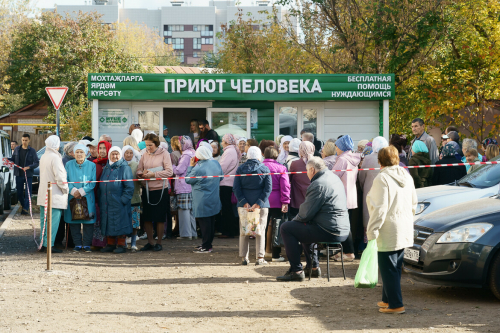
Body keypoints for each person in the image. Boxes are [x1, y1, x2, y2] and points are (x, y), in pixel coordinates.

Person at [276, 157, 350, 281]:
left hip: (330, 230)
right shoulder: (333, 177)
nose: (306, 174)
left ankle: (297, 270)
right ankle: (313, 268)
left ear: (312, 169)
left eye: (306, 171)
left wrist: (294, 220)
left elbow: (305, 213)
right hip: (341, 228)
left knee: (287, 228)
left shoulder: (319, 183)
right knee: (303, 226)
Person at [366, 146, 417, 314]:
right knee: (395, 266)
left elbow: (380, 208)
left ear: (380, 161)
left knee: (388, 267)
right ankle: (387, 299)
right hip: (403, 226)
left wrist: (372, 231)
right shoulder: (406, 176)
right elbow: (414, 203)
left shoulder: (382, 179)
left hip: (388, 228)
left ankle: (396, 304)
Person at [233, 146, 272, 265]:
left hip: (243, 205)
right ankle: (260, 258)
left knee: (243, 230)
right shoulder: (265, 169)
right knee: (261, 231)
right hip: (261, 205)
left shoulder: (240, 169)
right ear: (260, 155)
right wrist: (259, 203)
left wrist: (244, 201)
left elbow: (236, 188)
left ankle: (244, 258)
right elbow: (268, 188)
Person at [137, 133, 173, 251]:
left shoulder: (165, 154)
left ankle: (159, 242)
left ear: (156, 144)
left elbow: (169, 172)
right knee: (147, 217)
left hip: (160, 189)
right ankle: (150, 242)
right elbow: (139, 169)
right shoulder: (144, 154)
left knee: (159, 217)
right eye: (146, 145)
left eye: (150, 145)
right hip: (147, 189)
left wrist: (154, 175)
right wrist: (140, 174)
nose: (148, 147)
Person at [185, 145, 223, 253]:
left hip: (202, 199)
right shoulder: (216, 163)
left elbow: (188, 180)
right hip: (214, 197)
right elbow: (221, 177)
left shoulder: (198, 168)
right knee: (210, 222)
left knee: (204, 224)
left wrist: (191, 166)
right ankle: (207, 244)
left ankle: (206, 246)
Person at [36, 135, 68, 253]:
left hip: (43, 194)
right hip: (54, 195)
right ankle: (49, 244)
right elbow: (60, 176)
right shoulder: (55, 157)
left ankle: (43, 243)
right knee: (53, 222)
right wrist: (65, 189)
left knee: (43, 221)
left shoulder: (44, 156)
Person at [331, 134, 361, 261]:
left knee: (344, 225)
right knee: (345, 224)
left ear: (342, 147)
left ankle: (348, 252)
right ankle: (345, 251)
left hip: (342, 196)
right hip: (350, 195)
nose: (336, 149)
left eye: (337, 146)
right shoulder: (353, 158)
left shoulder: (343, 159)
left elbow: (333, 177)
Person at [99, 147, 134, 253]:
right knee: (108, 221)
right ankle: (110, 244)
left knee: (120, 222)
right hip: (107, 201)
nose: (114, 156)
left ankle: (121, 245)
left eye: (117, 154)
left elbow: (129, 187)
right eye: (112, 154)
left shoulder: (124, 168)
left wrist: (123, 200)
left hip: (119, 202)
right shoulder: (106, 167)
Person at [64, 144, 97, 253]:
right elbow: (65, 180)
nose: (79, 154)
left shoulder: (92, 165)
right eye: (77, 152)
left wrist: (82, 191)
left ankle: (87, 244)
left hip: (87, 197)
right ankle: (77, 244)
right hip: (72, 197)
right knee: (74, 221)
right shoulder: (68, 164)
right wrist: (73, 191)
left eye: (81, 152)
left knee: (88, 222)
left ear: (86, 153)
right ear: (73, 153)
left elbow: (92, 182)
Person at [262, 146, 290, 262]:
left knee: (262, 226)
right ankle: (276, 254)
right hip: (277, 201)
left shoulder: (260, 167)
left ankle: (262, 252)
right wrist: (285, 201)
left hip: (262, 200)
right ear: (276, 155)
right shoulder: (281, 168)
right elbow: (285, 186)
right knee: (277, 228)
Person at [358, 137, 388, 232]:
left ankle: (368, 241)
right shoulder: (389, 157)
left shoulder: (368, 158)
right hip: (386, 191)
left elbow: (361, 178)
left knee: (369, 218)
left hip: (370, 191)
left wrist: (364, 188)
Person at [173, 136, 197, 240]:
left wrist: (172, 166)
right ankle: (193, 233)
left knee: (183, 210)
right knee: (191, 211)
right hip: (191, 186)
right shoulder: (194, 152)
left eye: (180, 143)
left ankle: (186, 234)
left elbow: (179, 170)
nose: (179, 145)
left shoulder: (186, 155)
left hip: (183, 186)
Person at [9, 133, 39, 215]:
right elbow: (13, 159)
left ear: (29, 140)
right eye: (23, 140)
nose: (24, 142)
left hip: (28, 175)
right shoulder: (17, 149)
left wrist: (29, 167)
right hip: (18, 174)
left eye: (26, 140)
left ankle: (25, 209)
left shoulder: (32, 151)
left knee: (28, 192)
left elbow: (36, 163)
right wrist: (7, 159)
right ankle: (23, 206)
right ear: (21, 140)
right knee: (19, 193)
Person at [217, 134, 240, 238]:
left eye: (222, 141)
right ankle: (230, 230)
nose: (221, 143)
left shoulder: (229, 151)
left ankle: (228, 231)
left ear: (226, 142)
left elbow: (222, 168)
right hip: (229, 182)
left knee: (226, 208)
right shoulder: (232, 150)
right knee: (228, 207)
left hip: (225, 183)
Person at [92, 140, 112, 248]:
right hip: (96, 198)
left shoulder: (112, 162)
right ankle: (97, 243)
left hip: (109, 198)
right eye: (100, 148)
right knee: (98, 219)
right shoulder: (94, 163)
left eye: (105, 148)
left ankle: (110, 243)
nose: (102, 151)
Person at [121, 145, 142, 252]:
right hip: (123, 199)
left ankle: (133, 243)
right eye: (126, 153)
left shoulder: (136, 165)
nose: (129, 155)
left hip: (135, 197)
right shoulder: (120, 165)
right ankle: (124, 243)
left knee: (135, 223)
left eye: (131, 153)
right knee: (124, 222)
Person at [289, 141, 315, 217]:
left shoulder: (295, 163)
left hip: (298, 199)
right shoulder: (318, 162)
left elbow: (289, 179)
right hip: (313, 199)